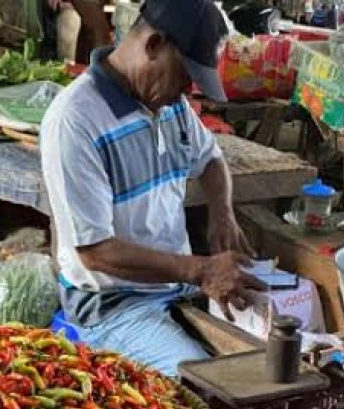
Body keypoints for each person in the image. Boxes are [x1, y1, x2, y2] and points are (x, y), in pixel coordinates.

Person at [40, 0, 265, 376]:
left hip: (175, 286)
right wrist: (200, 270)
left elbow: (211, 159)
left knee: (269, 361)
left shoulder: (170, 104)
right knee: (203, 385)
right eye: (185, 76)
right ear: (154, 45)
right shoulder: (74, 121)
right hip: (112, 303)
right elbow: (95, 252)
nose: (187, 91)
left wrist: (222, 212)